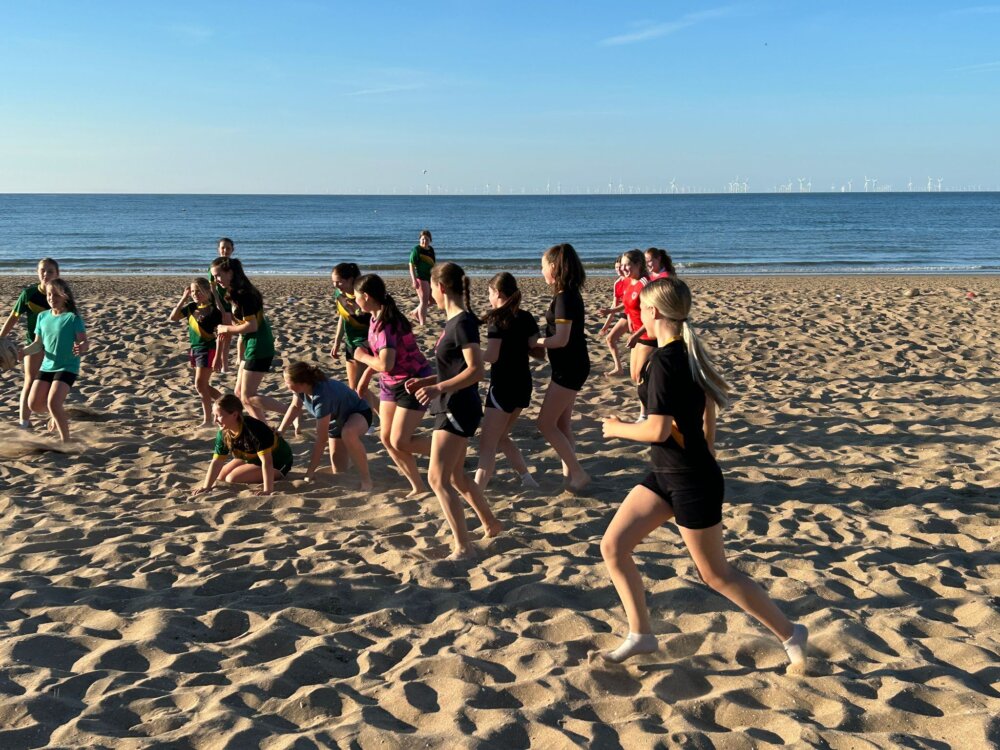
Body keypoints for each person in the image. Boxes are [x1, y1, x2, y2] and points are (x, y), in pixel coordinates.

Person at [599, 277, 808, 666]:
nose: (637, 315)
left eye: (642, 309)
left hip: (691, 481)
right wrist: (705, 447)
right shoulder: (682, 354)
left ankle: (791, 633)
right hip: (668, 475)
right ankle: (641, 634)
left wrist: (616, 428)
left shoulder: (666, 361)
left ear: (655, 313)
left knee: (716, 575)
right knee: (613, 546)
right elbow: (705, 409)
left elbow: (657, 429)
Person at [406, 263, 501, 558]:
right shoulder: (455, 321)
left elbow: (476, 371)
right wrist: (429, 380)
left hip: (458, 406)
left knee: (437, 478)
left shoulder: (461, 323)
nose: (429, 294)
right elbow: (455, 369)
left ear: (441, 287)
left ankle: (463, 547)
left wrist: (437, 389)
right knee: (457, 477)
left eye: (431, 288)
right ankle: (491, 524)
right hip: (452, 403)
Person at [353, 273, 434, 497]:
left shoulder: (388, 324)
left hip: (413, 383)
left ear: (366, 296)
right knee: (387, 438)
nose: (354, 300)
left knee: (400, 440)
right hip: (390, 383)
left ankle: (449, 448)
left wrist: (361, 357)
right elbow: (381, 361)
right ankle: (418, 486)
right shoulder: (374, 318)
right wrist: (366, 375)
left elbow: (385, 362)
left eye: (356, 296)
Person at [474, 272, 540, 491]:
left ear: (498, 293)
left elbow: (491, 356)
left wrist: (472, 355)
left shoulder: (496, 319)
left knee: (487, 444)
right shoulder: (527, 317)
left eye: (489, 293)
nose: (488, 297)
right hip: (523, 385)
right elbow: (537, 350)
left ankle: (476, 491)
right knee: (502, 436)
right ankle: (527, 478)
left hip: (503, 387)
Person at [535, 243, 591, 492]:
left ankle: (577, 474)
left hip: (569, 368)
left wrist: (534, 341)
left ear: (554, 267)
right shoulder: (565, 295)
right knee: (562, 425)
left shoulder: (565, 298)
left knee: (545, 424)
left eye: (543, 266)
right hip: (571, 366)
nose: (541, 271)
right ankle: (571, 477)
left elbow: (561, 339)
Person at [210, 257, 285, 421]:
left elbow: (252, 326)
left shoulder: (243, 295)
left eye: (218, 276)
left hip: (260, 346)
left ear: (230, 273)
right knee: (239, 394)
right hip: (252, 345)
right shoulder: (235, 291)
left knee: (248, 397)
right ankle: (263, 427)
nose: (216, 280)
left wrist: (226, 328)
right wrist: (239, 353)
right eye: (214, 277)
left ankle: (291, 412)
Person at [278, 361, 373, 490]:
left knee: (348, 433)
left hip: (359, 412)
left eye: (287, 382)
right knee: (339, 470)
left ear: (300, 383)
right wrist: (280, 431)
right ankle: (354, 459)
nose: (285, 385)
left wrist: (310, 472)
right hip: (337, 422)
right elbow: (295, 407)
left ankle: (366, 480)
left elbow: (321, 440)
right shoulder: (301, 390)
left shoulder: (322, 397)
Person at [18, 279, 88, 443]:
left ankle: (66, 442)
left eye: (56, 294)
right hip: (47, 366)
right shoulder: (42, 317)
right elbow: (37, 345)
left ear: (65, 296)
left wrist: (81, 347)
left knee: (53, 402)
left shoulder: (72, 318)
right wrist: (22, 353)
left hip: (67, 367)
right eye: (49, 294)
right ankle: (57, 414)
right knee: (34, 404)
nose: (51, 298)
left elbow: (84, 341)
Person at [192, 394, 293, 497]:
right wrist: (206, 487)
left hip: (278, 461)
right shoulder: (223, 432)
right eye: (214, 415)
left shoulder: (253, 429)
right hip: (251, 458)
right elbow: (217, 462)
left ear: (234, 415)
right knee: (220, 476)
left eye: (218, 415)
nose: (215, 420)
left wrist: (267, 490)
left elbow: (267, 461)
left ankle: (277, 475)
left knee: (232, 478)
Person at [1, 257, 59, 429]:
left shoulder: (62, 295)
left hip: (55, 345)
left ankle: (54, 416)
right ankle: (24, 422)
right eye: (42, 270)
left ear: (57, 274)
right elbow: (14, 317)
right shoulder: (29, 294)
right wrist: (1, 337)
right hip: (33, 343)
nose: (45, 274)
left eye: (50, 271)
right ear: (37, 272)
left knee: (53, 384)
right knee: (30, 380)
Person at [600, 250, 656, 420]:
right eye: (622, 265)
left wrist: (636, 334)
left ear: (638, 264)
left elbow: (653, 315)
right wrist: (611, 310)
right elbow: (627, 305)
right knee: (634, 375)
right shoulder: (628, 282)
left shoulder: (645, 284)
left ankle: (645, 414)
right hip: (635, 334)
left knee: (641, 376)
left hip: (648, 335)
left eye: (627, 265)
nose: (623, 268)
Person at [169, 277, 224, 428]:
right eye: (193, 291)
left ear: (207, 291)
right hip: (195, 349)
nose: (195, 294)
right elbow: (173, 317)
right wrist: (183, 298)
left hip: (208, 349)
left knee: (200, 385)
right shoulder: (191, 307)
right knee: (203, 385)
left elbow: (221, 336)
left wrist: (219, 357)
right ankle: (226, 402)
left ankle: (207, 420)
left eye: (198, 291)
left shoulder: (214, 311)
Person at [329, 262, 374, 410]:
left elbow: (378, 318)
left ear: (350, 279)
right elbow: (343, 317)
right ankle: (381, 416)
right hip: (350, 342)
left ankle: (364, 420)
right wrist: (336, 342)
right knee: (357, 387)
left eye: (339, 282)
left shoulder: (363, 295)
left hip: (365, 342)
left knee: (357, 388)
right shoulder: (339, 294)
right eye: (333, 282)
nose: (336, 285)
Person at [598, 257, 629, 377]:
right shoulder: (618, 283)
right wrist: (605, 326)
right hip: (626, 315)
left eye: (620, 267)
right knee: (610, 339)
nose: (618, 270)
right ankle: (618, 368)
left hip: (638, 315)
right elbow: (614, 305)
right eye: (616, 267)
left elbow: (626, 303)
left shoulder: (633, 281)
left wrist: (611, 310)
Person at [212, 238, 236, 373]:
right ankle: (223, 366)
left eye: (228, 248)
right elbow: (213, 289)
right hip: (221, 305)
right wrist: (220, 307)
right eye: (222, 248)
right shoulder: (215, 265)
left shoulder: (234, 265)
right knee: (223, 336)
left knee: (231, 334)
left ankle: (226, 364)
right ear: (218, 249)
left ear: (233, 249)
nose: (225, 250)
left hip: (233, 303)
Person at [408, 229, 436, 326]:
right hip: (420, 278)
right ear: (419, 239)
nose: (425, 241)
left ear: (430, 240)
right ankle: (422, 324)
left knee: (432, 300)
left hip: (430, 278)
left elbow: (433, 264)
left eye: (427, 239)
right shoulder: (417, 250)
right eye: (423, 239)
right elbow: (411, 265)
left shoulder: (431, 250)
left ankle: (415, 312)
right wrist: (414, 280)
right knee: (424, 302)